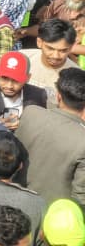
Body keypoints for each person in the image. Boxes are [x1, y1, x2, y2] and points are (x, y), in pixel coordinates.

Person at [16, 68, 85, 205]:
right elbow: (81, 196)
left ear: (58, 96)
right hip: (54, 214)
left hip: (15, 202)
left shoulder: (31, 113)